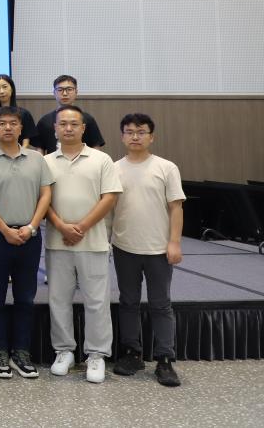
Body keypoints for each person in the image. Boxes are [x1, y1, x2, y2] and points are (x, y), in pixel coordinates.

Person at [0, 106, 53, 380]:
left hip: (29, 235)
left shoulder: (37, 159)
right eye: (2, 123)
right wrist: (5, 229)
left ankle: (21, 352)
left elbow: (46, 195)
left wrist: (31, 227)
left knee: (25, 298)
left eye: (13, 123)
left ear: (21, 128)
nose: (8, 127)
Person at [43, 105, 122, 384]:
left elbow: (109, 197)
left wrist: (82, 227)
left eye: (74, 124)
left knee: (97, 301)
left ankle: (97, 354)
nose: (68, 128)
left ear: (83, 128)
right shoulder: (46, 161)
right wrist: (62, 226)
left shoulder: (101, 159)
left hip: (94, 241)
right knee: (58, 299)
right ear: (55, 128)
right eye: (62, 123)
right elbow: (43, 201)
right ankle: (64, 351)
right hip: (57, 241)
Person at [112, 113, 184, 387]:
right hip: (124, 246)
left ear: (151, 137)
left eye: (141, 132)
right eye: (129, 131)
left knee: (160, 304)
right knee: (128, 302)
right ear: (122, 136)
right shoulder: (114, 168)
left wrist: (174, 242)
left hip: (158, 249)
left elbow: (176, 207)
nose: (135, 136)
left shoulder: (166, 167)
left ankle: (165, 359)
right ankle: (132, 353)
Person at [33, 75, 105, 154]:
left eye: (69, 89)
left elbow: (95, 147)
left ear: (76, 92)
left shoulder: (88, 119)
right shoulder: (44, 121)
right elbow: (40, 149)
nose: (64, 93)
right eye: (60, 90)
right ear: (54, 93)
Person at [0, 74, 37, 150]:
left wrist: (19, 153)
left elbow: (26, 140)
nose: (1, 91)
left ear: (12, 88)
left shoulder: (24, 114)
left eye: (5, 87)